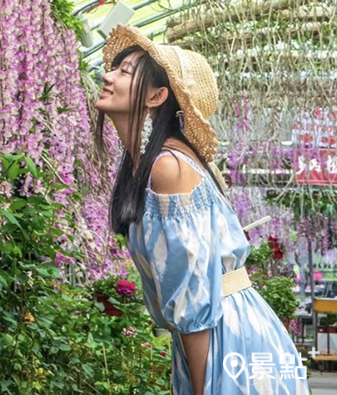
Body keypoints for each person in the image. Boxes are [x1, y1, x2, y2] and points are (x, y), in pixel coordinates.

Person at [94, 24, 309, 395]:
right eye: (113, 68)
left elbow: (194, 302)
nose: (106, 75)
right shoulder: (150, 165)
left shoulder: (167, 167)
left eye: (124, 72)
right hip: (221, 335)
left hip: (226, 338)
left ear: (157, 96)